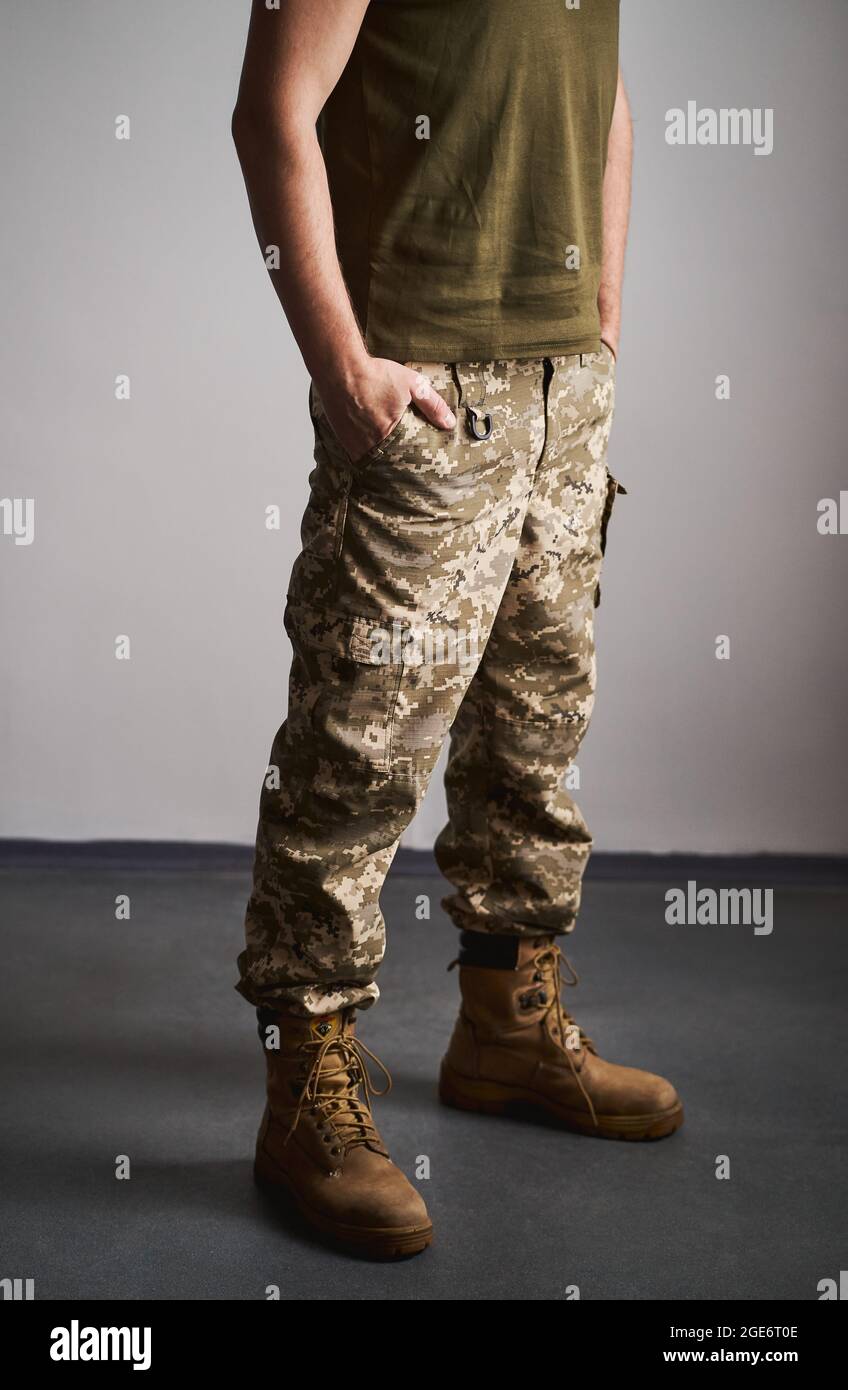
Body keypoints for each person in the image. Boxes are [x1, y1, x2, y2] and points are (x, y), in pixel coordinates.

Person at [231, 0, 682, 1260]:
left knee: (536, 720)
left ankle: (504, 1025)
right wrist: (342, 364)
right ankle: (302, 1089)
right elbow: (271, 111)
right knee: (358, 746)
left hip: (560, 382)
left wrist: (598, 315)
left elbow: (600, 97)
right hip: (423, 377)